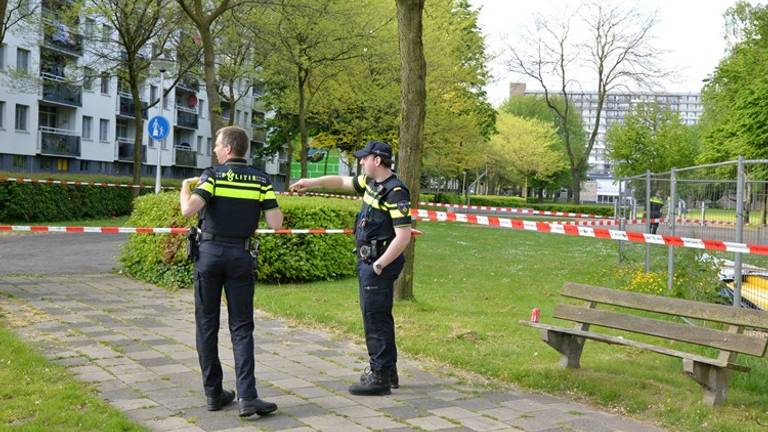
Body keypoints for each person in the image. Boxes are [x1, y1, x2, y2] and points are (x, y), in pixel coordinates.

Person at [290, 140, 412, 396]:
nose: (360, 162)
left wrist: (379, 264)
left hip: (377, 262)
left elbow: (403, 236)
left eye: (364, 158)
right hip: (371, 260)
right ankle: (388, 371)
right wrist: (311, 183)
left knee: (374, 318)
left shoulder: (395, 191)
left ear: (377, 160)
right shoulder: (371, 183)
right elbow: (342, 182)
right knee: (379, 316)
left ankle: (379, 376)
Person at [179, 126, 283, 417]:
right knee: (241, 327)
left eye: (216, 145)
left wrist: (186, 188)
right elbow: (276, 222)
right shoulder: (261, 179)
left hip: (209, 256)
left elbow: (189, 210)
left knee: (207, 325)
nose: (213, 149)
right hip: (241, 256)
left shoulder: (211, 175)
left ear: (227, 148)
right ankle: (247, 398)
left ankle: (214, 394)